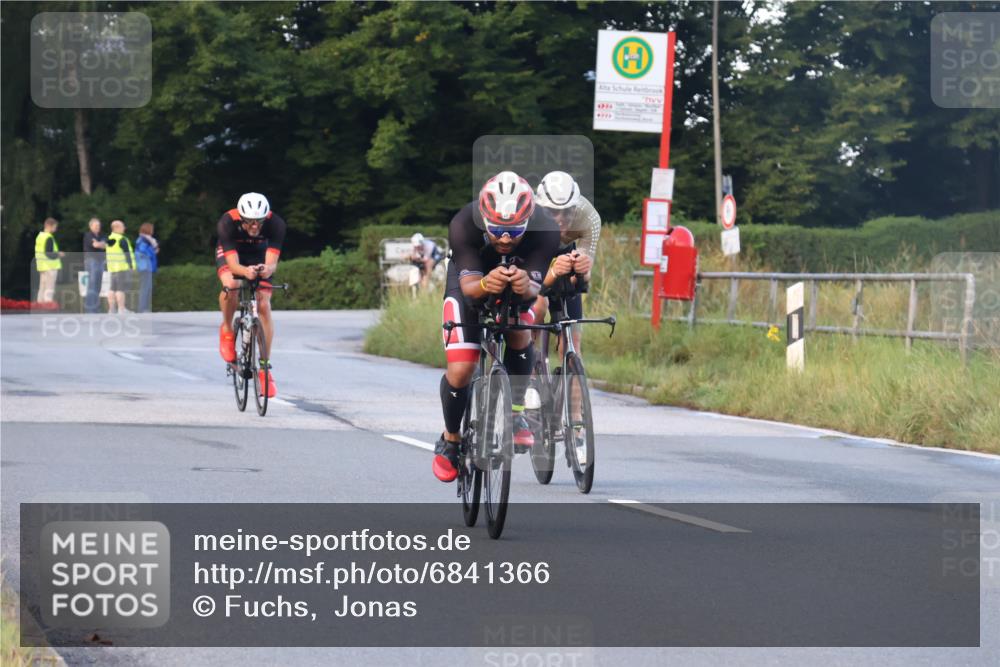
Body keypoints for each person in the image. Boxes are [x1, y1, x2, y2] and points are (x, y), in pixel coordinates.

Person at [432, 171, 565, 483]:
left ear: (529, 220)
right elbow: (468, 288)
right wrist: (484, 283)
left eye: (515, 231)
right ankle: (450, 439)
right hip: (470, 281)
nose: (505, 239)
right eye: (497, 230)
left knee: (519, 332)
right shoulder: (464, 222)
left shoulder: (545, 229)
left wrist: (526, 284)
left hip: (517, 283)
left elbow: (536, 289)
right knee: (462, 368)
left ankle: (516, 412)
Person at [216, 192, 286, 398]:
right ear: (240, 217)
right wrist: (245, 271)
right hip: (234, 255)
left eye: (259, 221)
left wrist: (265, 269)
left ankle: (264, 369)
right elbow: (233, 265)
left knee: (263, 304)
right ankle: (228, 329)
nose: (255, 226)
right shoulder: (227, 222)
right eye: (249, 222)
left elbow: (272, 263)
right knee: (232, 283)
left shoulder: (276, 224)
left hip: (258, 254)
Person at [529, 170, 602, 364]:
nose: (560, 218)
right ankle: (528, 356)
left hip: (565, 255)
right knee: (538, 306)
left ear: (576, 208)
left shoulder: (589, 218)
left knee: (572, 345)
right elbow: (528, 276)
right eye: (552, 211)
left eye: (567, 211)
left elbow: (582, 281)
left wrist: (580, 269)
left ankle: (573, 388)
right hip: (536, 256)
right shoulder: (529, 216)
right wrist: (549, 275)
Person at [105, 220, 136, 314]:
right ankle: (121, 309)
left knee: (112, 289)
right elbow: (127, 254)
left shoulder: (109, 239)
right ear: (116, 228)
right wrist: (131, 266)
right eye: (122, 226)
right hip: (121, 267)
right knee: (120, 289)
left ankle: (111, 309)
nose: (124, 228)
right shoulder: (121, 239)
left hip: (112, 268)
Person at [34, 217, 64, 303]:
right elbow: (49, 253)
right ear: (49, 226)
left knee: (42, 287)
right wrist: (59, 254)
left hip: (42, 265)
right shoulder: (49, 237)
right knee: (49, 287)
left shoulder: (40, 236)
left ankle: (39, 305)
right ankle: (48, 305)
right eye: (54, 226)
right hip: (50, 266)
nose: (55, 229)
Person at [82, 217, 107, 313]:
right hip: (91, 261)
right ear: (90, 226)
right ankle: (90, 309)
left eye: (99, 225)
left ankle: (96, 308)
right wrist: (101, 244)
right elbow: (96, 245)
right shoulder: (88, 235)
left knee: (98, 285)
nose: (98, 227)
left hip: (100, 262)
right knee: (92, 285)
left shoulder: (102, 235)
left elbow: (105, 245)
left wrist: (99, 243)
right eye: (96, 225)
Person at [135, 222, 159, 313]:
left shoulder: (144, 239)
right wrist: (153, 252)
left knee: (147, 287)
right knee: (145, 287)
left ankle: (144, 307)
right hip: (145, 266)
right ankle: (142, 308)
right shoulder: (143, 240)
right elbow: (142, 251)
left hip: (146, 266)